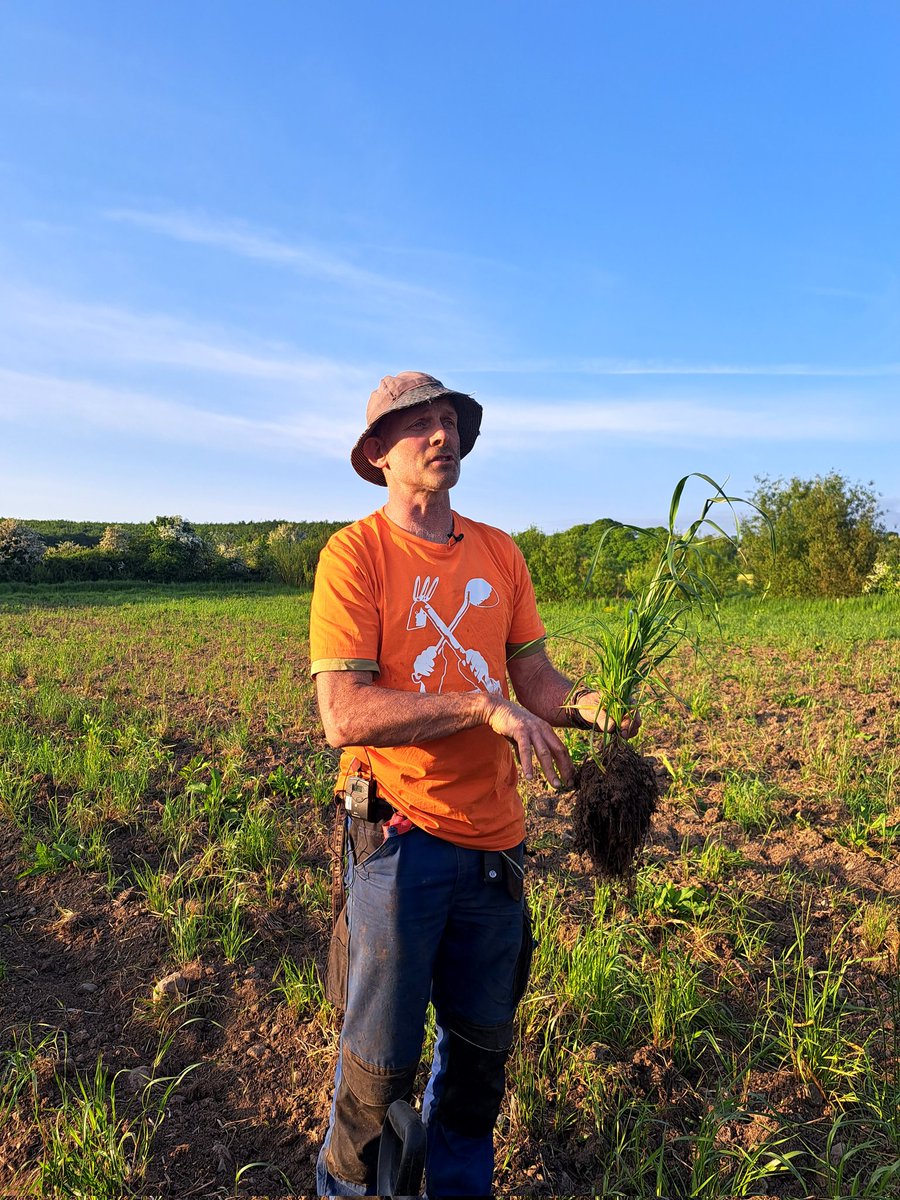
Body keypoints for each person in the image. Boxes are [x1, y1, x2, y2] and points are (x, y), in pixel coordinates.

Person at [309, 371, 638, 1197]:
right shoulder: (356, 556)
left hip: (497, 850)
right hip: (399, 843)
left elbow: (538, 682)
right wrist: (477, 705)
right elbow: (343, 713)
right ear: (379, 454)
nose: (440, 434)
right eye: (417, 424)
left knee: (479, 1063)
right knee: (378, 1070)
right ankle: (353, 1191)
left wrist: (598, 711)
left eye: (449, 420)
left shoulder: (500, 553)